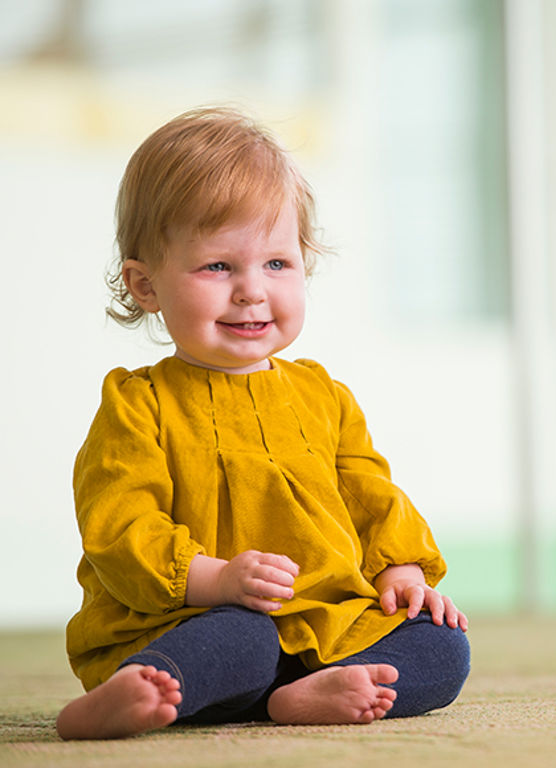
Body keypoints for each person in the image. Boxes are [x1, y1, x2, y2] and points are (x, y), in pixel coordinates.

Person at [56, 107, 470, 740]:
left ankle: (302, 695)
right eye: (218, 267)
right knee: (242, 638)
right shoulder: (138, 405)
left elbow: (371, 494)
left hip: (327, 626)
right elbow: (119, 530)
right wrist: (217, 580)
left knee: (443, 644)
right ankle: (138, 687)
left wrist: (402, 572)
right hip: (193, 621)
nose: (251, 290)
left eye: (277, 264)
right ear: (146, 286)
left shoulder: (323, 395)